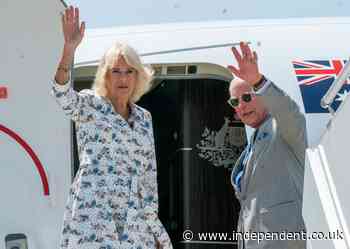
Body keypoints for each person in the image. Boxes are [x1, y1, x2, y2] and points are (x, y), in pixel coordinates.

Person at [51, 6, 172, 249]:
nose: (123, 78)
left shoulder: (144, 118)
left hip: (134, 220)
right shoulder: (91, 105)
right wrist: (69, 49)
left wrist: (155, 230)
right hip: (93, 218)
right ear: (105, 75)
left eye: (129, 71)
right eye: (116, 71)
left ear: (138, 77)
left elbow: (148, 178)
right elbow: (61, 94)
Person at [227, 42, 307, 249]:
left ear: (262, 96)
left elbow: (290, 112)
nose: (241, 106)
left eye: (246, 97)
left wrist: (258, 81)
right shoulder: (253, 143)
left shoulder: (281, 129)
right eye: (235, 102)